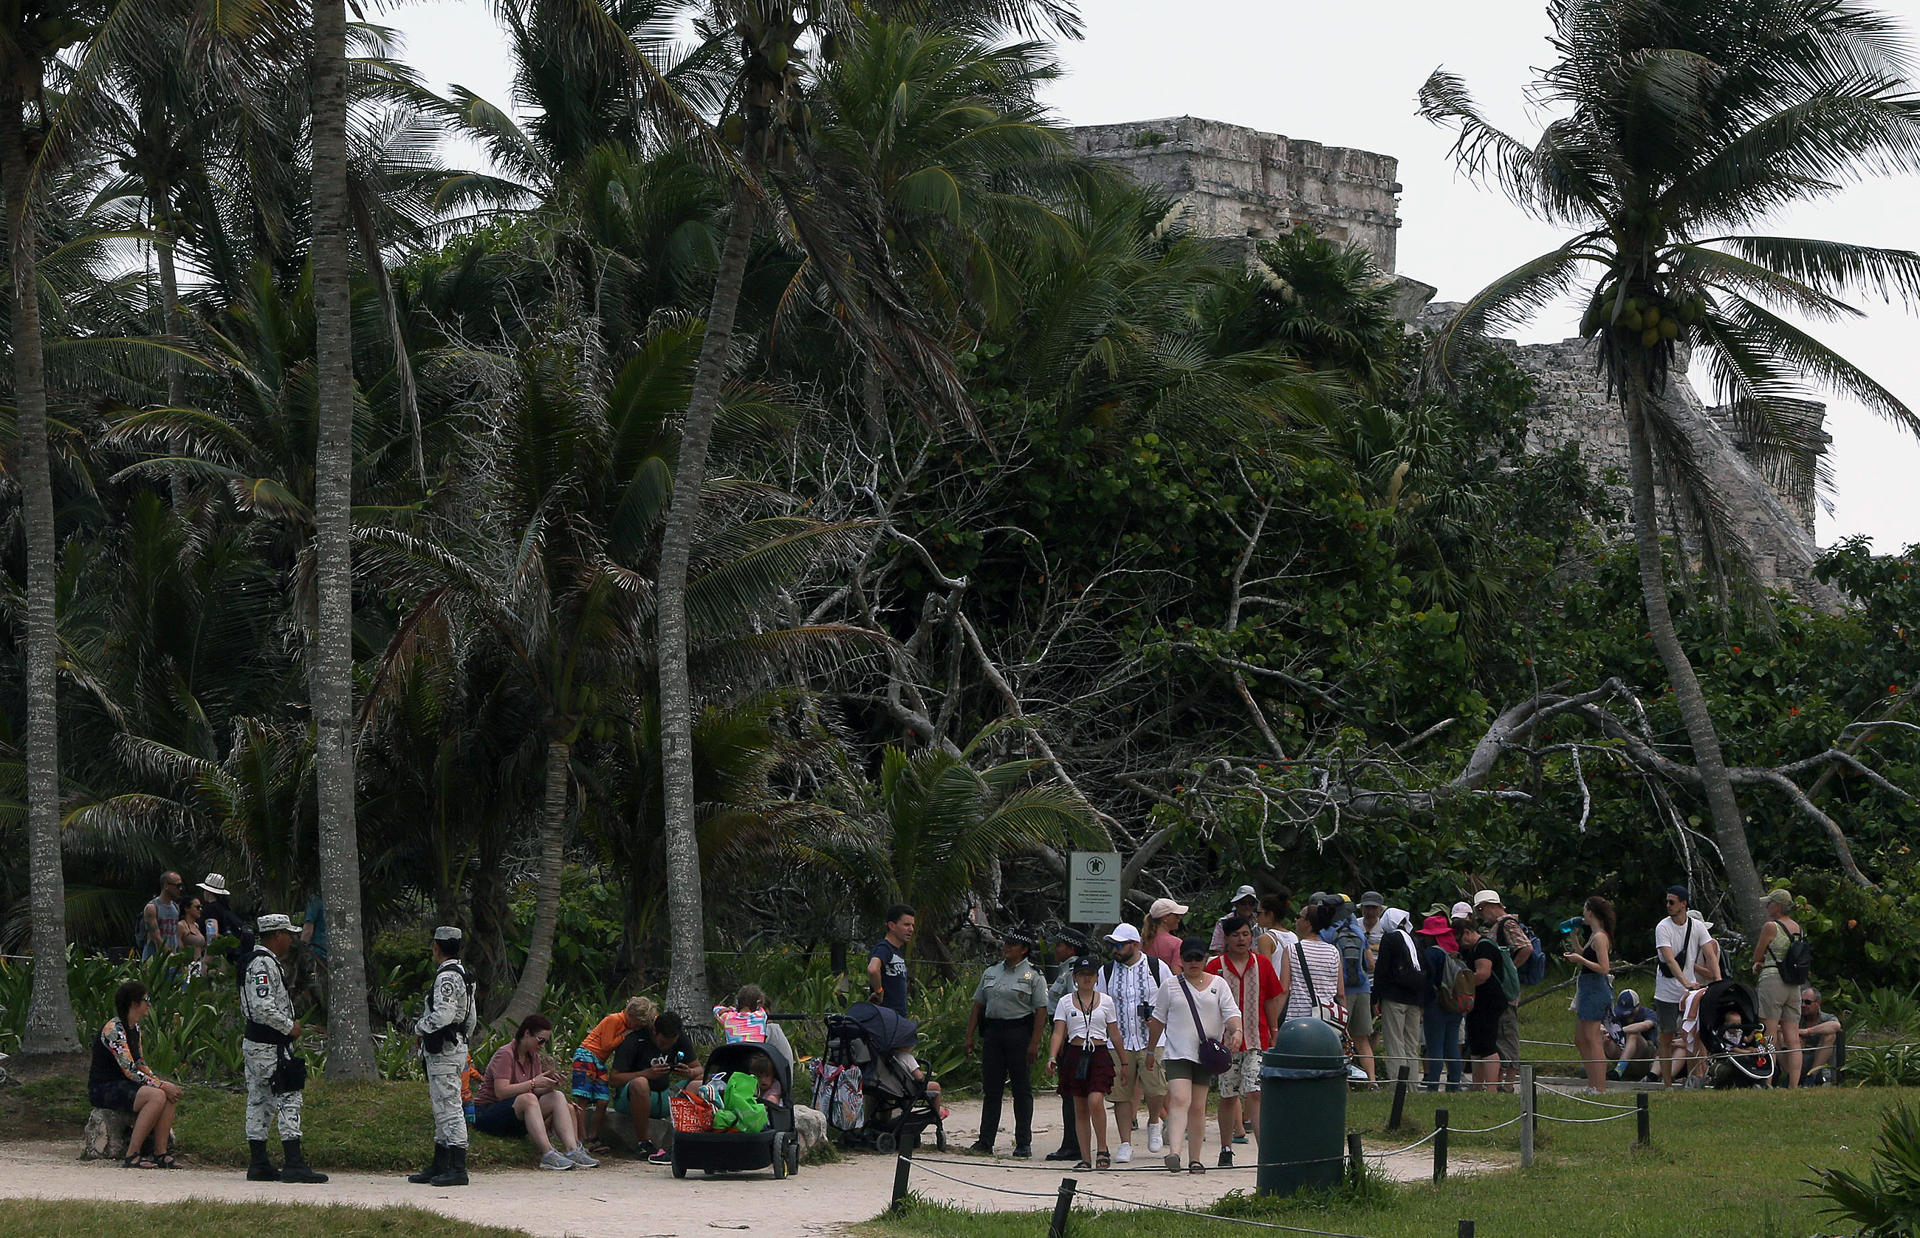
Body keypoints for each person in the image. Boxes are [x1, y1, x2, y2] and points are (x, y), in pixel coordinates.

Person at [240, 913, 325, 1183]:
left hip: (257, 1043)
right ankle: (293, 1162)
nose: (290, 939)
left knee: (259, 1099)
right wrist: (289, 1026)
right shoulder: (263, 964)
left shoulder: (255, 961)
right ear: (276, 935)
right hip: (270, 1044)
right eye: (287, 934)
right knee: (289, 1098)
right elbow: (263, 1006)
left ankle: (259, 1162)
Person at [1146, 938, 1242, 1175]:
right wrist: (1150, 1050)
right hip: (1178, 1053)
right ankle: (1175, 1153)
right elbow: (1158, 1020)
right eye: (1188, 958)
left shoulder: (1218, 984)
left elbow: (1231, 1013)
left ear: (1205, 959)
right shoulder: (1170, 986)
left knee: (1198, 1107)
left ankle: (1195, 1159)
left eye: (1198, 958)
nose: (1193, 962)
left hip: (1206, 1055)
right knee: (1179, 1099)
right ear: (1181, 959)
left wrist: (1236, 1031)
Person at [472, 1014, 598, 1170]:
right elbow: (501, 1092)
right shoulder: (505, 1054)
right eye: (541, 1040)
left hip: (516, 1115)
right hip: (488, 1113)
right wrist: (533, 1082)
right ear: (526, 1034)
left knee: (557, 1096)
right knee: (528, 1099)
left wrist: (550, 1085)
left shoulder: (534, 1057)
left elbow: (536, 1090)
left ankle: (572, 1149)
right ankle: (547, 1153)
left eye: (546, 1041)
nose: (543, 1045)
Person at [965, 928, 1049, 1157]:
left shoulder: (1034, 975)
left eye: (1012, 945)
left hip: (1019, 1032)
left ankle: (1023, 1142)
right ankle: (985, 1141)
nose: (1007, 948)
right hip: (993, 1033)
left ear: (1023, 949)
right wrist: (970, 1036)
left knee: (1021, 1090)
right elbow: (978, 1005)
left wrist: (1034, 1043)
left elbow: (1041, 1011)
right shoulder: (991, 971)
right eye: (1006, 944)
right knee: (992, 1089)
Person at [1205, 916, 1282, 1166]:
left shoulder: (1263, 964)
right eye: (1236, 935)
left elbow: (1272, 998)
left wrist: (1273, 1028)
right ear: (1226, 938)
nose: (1242, 939)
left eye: (1246, 934)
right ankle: (1226, 1148)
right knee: (1228, 1095)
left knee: (1255, 1092)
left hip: (1256, 1038)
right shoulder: (1214, 967)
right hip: (1225, 1043)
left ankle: (1265, 1152)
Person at [1096, 922, 1169, 1164]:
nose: (1115, 950)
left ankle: (1154, 1120)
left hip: (1152, 1038)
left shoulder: (1157, 967)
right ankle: (1125, 1142)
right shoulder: (1106, 971)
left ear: (1134, 945)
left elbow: (1170, 996)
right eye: (1112, 945)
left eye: (1119, 945)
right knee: (1121, 1093)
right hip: (1119, 1040)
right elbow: (1101, 1002)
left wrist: (1158, 1017)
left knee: (1156, 1087)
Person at [410, 925, 477, 1186]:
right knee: (443, 1104)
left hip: (445, 1049)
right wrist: (463, 1038)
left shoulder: (446, 977)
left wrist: (419, 1027)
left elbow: (444, 1014)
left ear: (436, 947)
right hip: (456, 1046)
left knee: (449, 1106)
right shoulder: (465, 974)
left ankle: (457, 1167)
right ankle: (440, 1164)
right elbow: (470, 1016)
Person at [89, 981, 182, 1168]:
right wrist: (160, 1086)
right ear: (133, 1003)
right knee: (156, 1096)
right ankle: (132, 1154)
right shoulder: (113, 1030)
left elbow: (140, 1063)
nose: (149, 1004)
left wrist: (160, 1082)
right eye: (146, 1000)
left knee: (169, 1095)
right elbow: (130, 1070)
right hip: (105, 1087)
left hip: (124, 1085)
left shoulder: (135, 1029)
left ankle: (160, 1152)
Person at [1046, 955, 1125, 1171]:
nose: (1086, 979)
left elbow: (1114, 1034)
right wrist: (1052, 1056)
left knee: (1096, 1100)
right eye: (1082, 975)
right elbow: (1059, 1032)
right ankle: (1085, 1157)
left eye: (1090, 975)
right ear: (1075, 978)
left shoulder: (1106, 1001)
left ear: (1096, 977)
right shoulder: (1065, 1002)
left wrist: (1124, 1062)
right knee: (1079, 1107)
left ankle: (1102, 1148)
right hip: (1075, 1053)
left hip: (1099, 1053)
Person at [613, 1010, 702, 1165]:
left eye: (670, 1044)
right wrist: (646, 1074)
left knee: (700, 1083)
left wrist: (689, 1072)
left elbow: (700, 1070)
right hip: (632, 1097)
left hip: (664, 1096)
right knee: (640, 1083)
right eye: (662, 1043)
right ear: (655, 1031)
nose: (666, 1047)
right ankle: (644, 1143)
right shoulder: (635, 1040)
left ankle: (687, 1137)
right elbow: (614, 1079)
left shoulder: (680, 1037)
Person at [573, 996, 653, 1152]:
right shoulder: (614, 1019)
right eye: (636, 1023)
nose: (637, 1028)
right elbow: (607, 1044)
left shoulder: (627, 1022)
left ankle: (593, 1136)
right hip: (587, 1056)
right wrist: (625, 1035)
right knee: (582, 1099)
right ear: (630, 1015)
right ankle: (581, 1139)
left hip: (599, 1061)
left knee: (603, 1101)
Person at [1473, 890, 1532, 1089]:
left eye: (1481, 911)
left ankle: (1508, 1083)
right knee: (1498, 1033)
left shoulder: (1506, 924)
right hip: (1498, 993)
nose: (1481, 916)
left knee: (1507, 1033)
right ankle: (1499, 1079)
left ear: (1488, 906)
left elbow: (1526, 947)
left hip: (1505, 992)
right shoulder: (1499, 926)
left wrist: (1510, 970)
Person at [1751, 888, 1806, 1088]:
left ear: (1779, 906)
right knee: (1793, 1036)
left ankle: (1767, 1080)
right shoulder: (1797, 928)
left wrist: (1758, 962)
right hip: (1793, 984)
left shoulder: (1771, 926)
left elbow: (1758, 954)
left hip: (1773, 979)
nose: (1767, 906)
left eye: (1770, 903)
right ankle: (1794, 1084)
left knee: (1769, 1034)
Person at [1044, 927, 1089, 1163]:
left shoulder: (1071, 973)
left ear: (1071, 948)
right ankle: (1071, 1142)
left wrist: (1063, 1040)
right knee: (1069, 1093)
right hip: (1066, 1034)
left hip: (1070, 1037)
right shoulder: (1064, 970)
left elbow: (1074, 1008)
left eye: (1059, 944)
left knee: (1071, 1092)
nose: (1055, 949)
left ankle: (1072, 1144)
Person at [1654, 885, 1707, 1087]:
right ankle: (1667, 1083)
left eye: (1672, 902)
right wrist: (1685, 982)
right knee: (1666, 1036)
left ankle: (1694, 1079)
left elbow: (1710, 950)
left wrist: (1718, 980)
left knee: (1692, 1036)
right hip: (1667, 991)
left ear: (1683, 904)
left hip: (1690, 993)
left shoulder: (1696, 926)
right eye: (1667, 902)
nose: (1668, 905)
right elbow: (1669, 959)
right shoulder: (1663, 927)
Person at [1562, 895, 1615, 1093]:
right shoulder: (1593, 935)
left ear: (1590, 912)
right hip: (1586, 988)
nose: (1583, 914)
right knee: (1580, 1038)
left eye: (1585, 910)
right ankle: (1591, 1082)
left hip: (1595, 988)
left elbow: (1604, 967)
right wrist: (1574, 938)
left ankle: (1599, 1087)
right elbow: (1584, 954)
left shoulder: (1601, 937)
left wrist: (1581, 961)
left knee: (1593, 1038)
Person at [1372, 907, 1426, 1088]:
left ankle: (1398, 1086)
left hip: (1394, 998)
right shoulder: (1415, 940)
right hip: (1414, 999)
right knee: (1411, 1045)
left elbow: (1382, 970)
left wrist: (1376, 998)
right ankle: (1412, 1085)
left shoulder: (1390, 938)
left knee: (1394, 1043)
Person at [1414, 914, 1464, 1092]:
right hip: (1455, 1004)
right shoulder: (1455, 951)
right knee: (1452, 1046)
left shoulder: (1431, 954)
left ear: (1432, 935)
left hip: (1435, 1004)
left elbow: (1426, 982)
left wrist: (1421, 1005)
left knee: (1434, 1046)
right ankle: (1454, 1085)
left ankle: (1433, 1085)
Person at [1672, 914, 1722, 1087]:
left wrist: (1690, 964)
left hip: (1704, 993)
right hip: (1690, 993)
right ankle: (1691, 1074)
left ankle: (1702, 1074)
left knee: (1699, 1035)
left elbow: (1712, 973)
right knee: (1688, 1034)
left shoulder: (1710, 944)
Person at [1277, 899, 1344, 1025]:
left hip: (1298, 1019)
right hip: (1327, 1020)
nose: (1296, 920)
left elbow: (1284, 989)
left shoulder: (1292, 950)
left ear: (1308, 923)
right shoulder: (1333, 951)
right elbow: (1340, 993)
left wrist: (1274, 1024)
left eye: (1298, 917)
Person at [1458, 918, 1505, 1090]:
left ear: (1468, 933)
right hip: (1477, 1002)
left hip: (1489, 1001)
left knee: (1487, 1044)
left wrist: (1461, 985)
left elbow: (1483, 974)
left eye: (1460, 939)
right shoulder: (1473, 949)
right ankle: (1477, 1086)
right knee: (1476, 1045)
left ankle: (1491, 1088)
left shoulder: (1484, 947)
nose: (1460, 944)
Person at [867, 904, 915, 1016]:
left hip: (898, 1019)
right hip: (885, 1018)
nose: (911, 929)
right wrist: (879, 992)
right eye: (906, 925)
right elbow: (873, 969)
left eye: (912, 925)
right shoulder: (884, 948)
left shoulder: (896, 952)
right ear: (892, 925)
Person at [1605, 989, 1657, 1080]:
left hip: (1645, 1055)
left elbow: (1647, 1024)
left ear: (1638, 1006)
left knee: (1633, 1034)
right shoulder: (1617, 1014)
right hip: (1622, 1051)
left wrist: (1621, 1031)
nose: (1627, 1016)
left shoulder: (1648, 1013)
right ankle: (1598, 1066)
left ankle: (1618, 1071)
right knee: (1606, 1038)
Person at [1799, 989, 1845, 1084]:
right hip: (1798, 1058)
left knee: (1830, 1036)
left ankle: (1811, 1077)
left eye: (1807, 1002)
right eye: (1801, 1001)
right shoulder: (1796, 1018)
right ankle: (1792, 1076)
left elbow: (1836, 1025)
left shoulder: (1827, 1018)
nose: (1803, 1005)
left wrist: (1807, 1031)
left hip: (1821, 1061)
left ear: (1818, 1003)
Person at [141, 871, 183, 960]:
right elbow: (155, 936)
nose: (180, 889)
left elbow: (175, 934)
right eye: (177, 886)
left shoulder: (175, 907)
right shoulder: (152, 908)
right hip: (155, 960)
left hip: (171, 959)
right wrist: (169, 955)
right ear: (166, 886)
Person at [1208, 886, 1261, 954]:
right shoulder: (1223, 922)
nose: (1247, 906)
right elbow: (1217, 950)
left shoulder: (1260, 921)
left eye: (1251, 903)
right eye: (1243, 903)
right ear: (1236, 904)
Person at [1142, 898, 1188, 969]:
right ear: (1165, 918)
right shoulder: (1176, 943)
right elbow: (1176, 973)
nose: (1180, 918)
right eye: (1176, 915)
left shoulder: (1140, 942)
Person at [1253, 894, 1297, 960]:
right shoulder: (1293, 936)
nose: (1256, 916)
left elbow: (1266, 968)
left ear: (1270, 914)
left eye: (1259, 913)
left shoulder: (1265, 939)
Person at [177, 894, 209, 980]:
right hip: (187, 967)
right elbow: (179, 949)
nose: (200, 910)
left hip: (199, 965)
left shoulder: (196, 926)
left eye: (201, 907)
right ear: (187, 908)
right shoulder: (181, 926)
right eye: (197, 907)